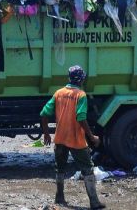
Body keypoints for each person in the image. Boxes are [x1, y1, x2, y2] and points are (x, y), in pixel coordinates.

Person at [40, 65, 105, 209]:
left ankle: (59, 197)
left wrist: (46, 134)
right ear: (81, 80)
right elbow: (81, 117)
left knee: (60, 168)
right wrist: (91, 136)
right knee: (88, 169)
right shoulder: (80, 95)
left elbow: (44, 113)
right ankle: (94, 202)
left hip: (60, 138)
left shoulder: (59, 93)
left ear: (69, 78)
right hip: (76, 140)